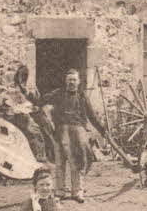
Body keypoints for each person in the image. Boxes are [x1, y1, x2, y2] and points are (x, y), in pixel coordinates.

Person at [37, 69, 102, 203]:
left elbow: (92, 115)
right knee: (60, 163)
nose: (71, 82)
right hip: (60, 133)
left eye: (74, 80)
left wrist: (102, 129)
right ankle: (60, 191)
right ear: (65, 81)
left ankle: (77, 192)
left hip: (77, 134)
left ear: (78, 82)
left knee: (76, 162)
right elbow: (40, 100)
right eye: (69, 80)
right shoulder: (57, 94)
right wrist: (28, 93)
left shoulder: (82, 96)